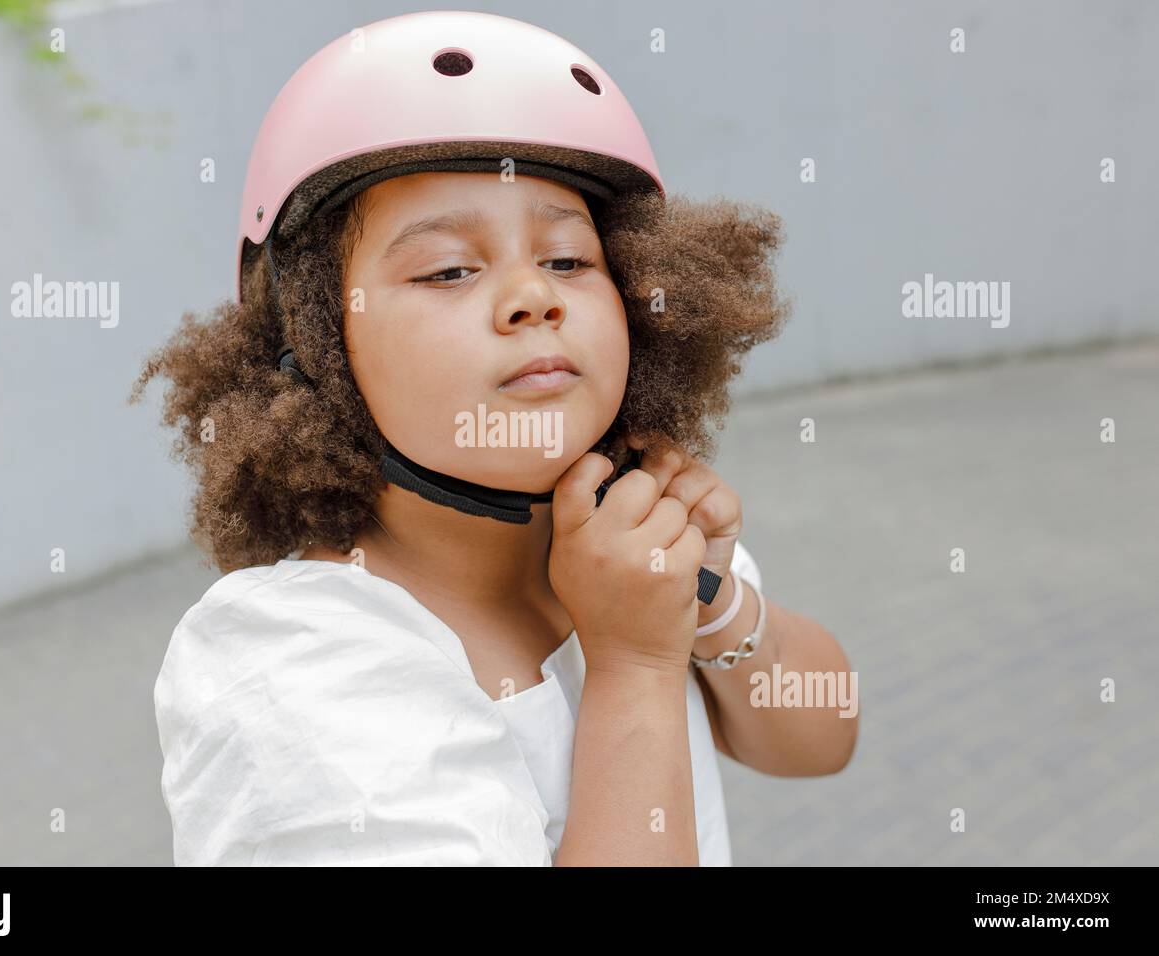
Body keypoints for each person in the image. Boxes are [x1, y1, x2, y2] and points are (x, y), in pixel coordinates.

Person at [131, 10, 854, 866]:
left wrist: (714, 600)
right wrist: (631, 664)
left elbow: (822, 740)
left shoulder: (624, 530)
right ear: (317, 346)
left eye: (568, 261)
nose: (532, 298)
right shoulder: (291, 666)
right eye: (448, 270)